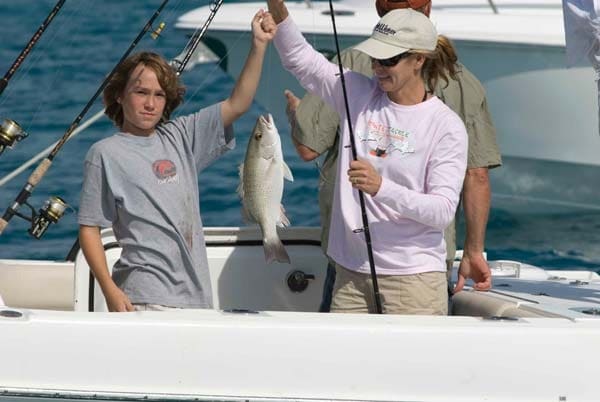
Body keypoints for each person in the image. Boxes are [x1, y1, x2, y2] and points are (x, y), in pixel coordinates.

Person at [286, 0, 501, 312]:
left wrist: (296, 118)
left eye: (388, 59)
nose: (377, 65)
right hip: (353, 264)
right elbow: (477, 174)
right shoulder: (462, 80)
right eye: (376, 58)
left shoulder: (443, 123)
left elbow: (307, 148)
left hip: (413, 273)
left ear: (418, 59)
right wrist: (473, 249)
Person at [78, 10, 275, 312]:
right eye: (141, 92)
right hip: (143, 296)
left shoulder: (181, 135)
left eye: (158, 95)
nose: (150, 103)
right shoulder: (105, 153)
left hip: (196, 298)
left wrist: (259, 45)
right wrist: (110, 289)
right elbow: (89, 227)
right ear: (119, 95)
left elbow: (238, 104)